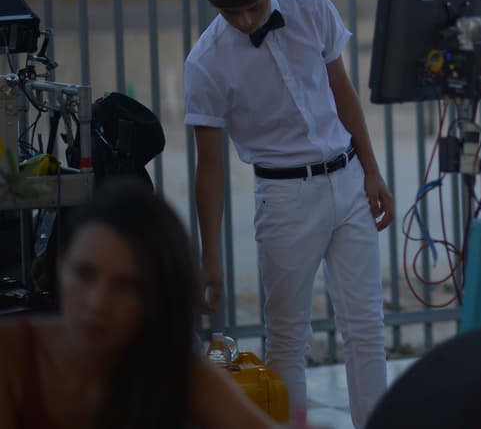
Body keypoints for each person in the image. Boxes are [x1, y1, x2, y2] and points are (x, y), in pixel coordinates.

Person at [185, 0, 394, 428]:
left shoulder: (312, 8)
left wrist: (371, 171)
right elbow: (208, 165)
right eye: (231, 13)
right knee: (287, 337)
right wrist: (210, 256)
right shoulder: (206, 61)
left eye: (254, 8)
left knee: (366, 326)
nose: (244, 21)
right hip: (283, 196)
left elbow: (342, 93)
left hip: (347, 178)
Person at [0, 178, 282, 429]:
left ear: (157, 296)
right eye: (84, 274)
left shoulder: (179, 373)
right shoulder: (13, 355)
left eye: (124, 285)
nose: (97, 303)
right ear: (60, 266)